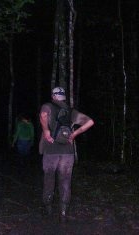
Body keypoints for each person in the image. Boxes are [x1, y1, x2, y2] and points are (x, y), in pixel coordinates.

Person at [39, 87, 94, 223]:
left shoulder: (47, 106)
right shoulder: (71, 111)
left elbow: (43, 115)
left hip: (51, 150)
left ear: (53, 96)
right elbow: (90, 122)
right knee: (65, 180)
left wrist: (46, 130)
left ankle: (48, 207)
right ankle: (63, 212)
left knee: (49, 178)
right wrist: (74, 134)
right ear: (63, 97)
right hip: (67, 152)